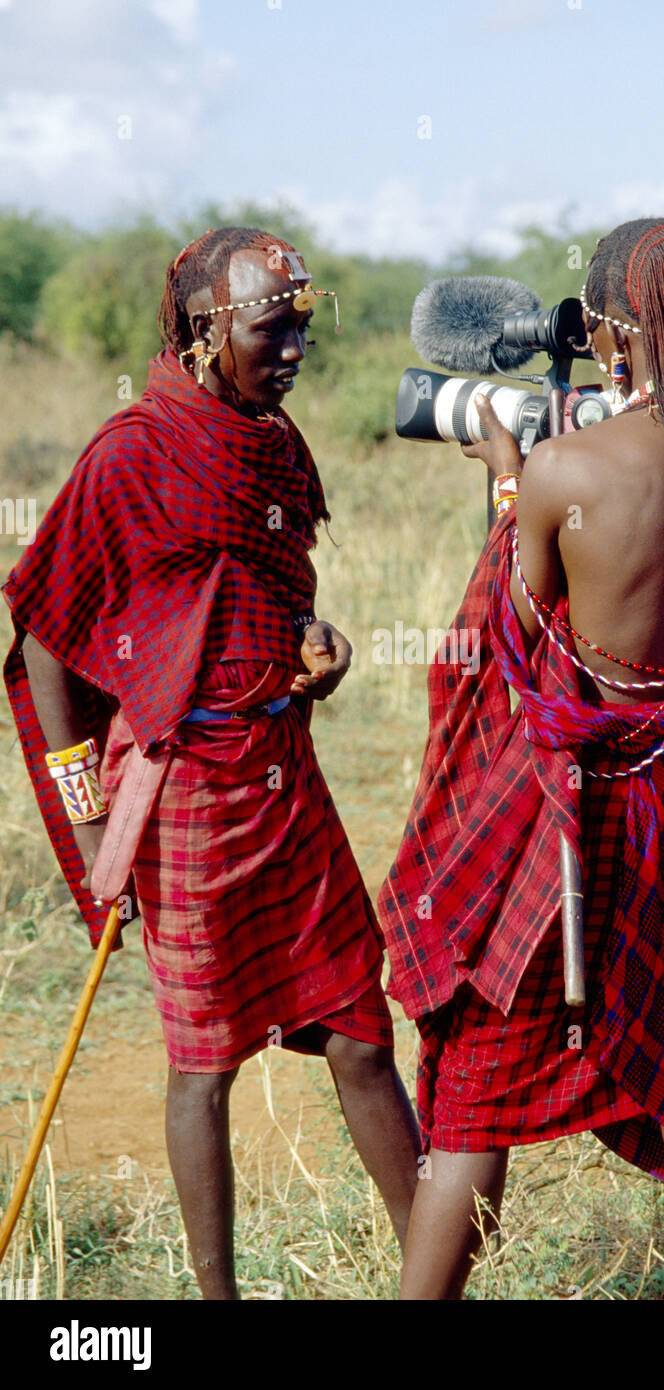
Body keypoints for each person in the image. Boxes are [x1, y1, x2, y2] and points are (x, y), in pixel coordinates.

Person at [378, 217, 664, 1301]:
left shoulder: (561, 469)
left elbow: (510, 655)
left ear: (609, 336)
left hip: (578, 827)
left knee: (475, 1089)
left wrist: (506, 480)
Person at [3, 226, 421, 1300]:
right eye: (271, 330)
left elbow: (264, 594)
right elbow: (46, 634)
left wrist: (310, 642)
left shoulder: (269, 441)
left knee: (360, 1032)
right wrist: (90, 822)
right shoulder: (132, 451)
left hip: (283, 768)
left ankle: (437, 1274)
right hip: (184, 788)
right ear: (205, 330)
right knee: (206, 1062)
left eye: (300, 330)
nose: (293, 351)